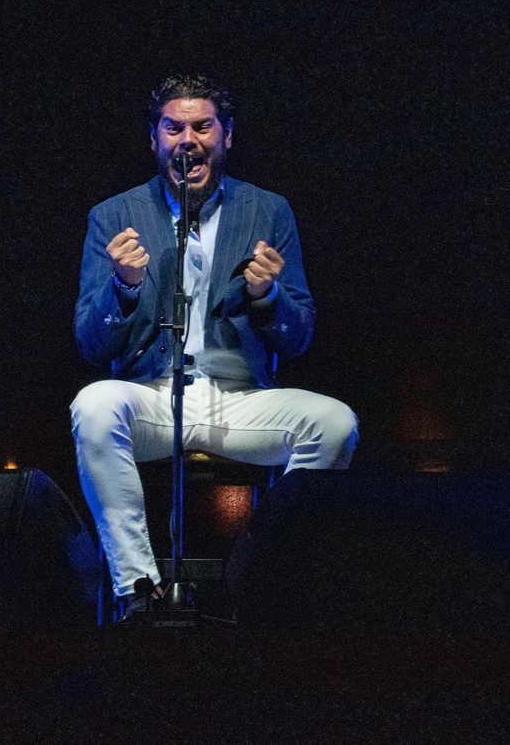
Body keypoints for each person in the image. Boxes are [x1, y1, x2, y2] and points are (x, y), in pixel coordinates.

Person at [71, 73, 357, 618]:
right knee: (93, 405)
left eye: (202, 127)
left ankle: (266, 574)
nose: (187, 139)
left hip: (239, 398)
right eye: (173, 128)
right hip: (152, 396)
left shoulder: (269, 211)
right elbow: (90, 342)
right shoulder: (113, 215)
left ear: (226, 137)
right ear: (154, 139)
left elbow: (300, 337)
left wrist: (267, 295)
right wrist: (123, 288)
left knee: (336, 423)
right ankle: (137, 589)